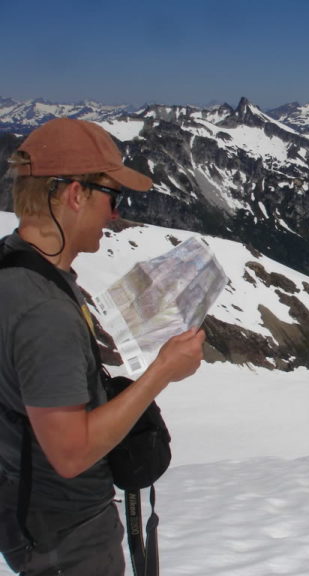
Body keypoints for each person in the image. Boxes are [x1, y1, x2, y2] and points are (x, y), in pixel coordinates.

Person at [0, 118, 206, 575]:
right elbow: (71, 453)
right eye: (112, 198)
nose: (115, 214)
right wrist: (162, 373)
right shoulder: (43, 311)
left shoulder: (14, 267)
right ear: (75, 195)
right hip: (68, 534)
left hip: (32, 513)